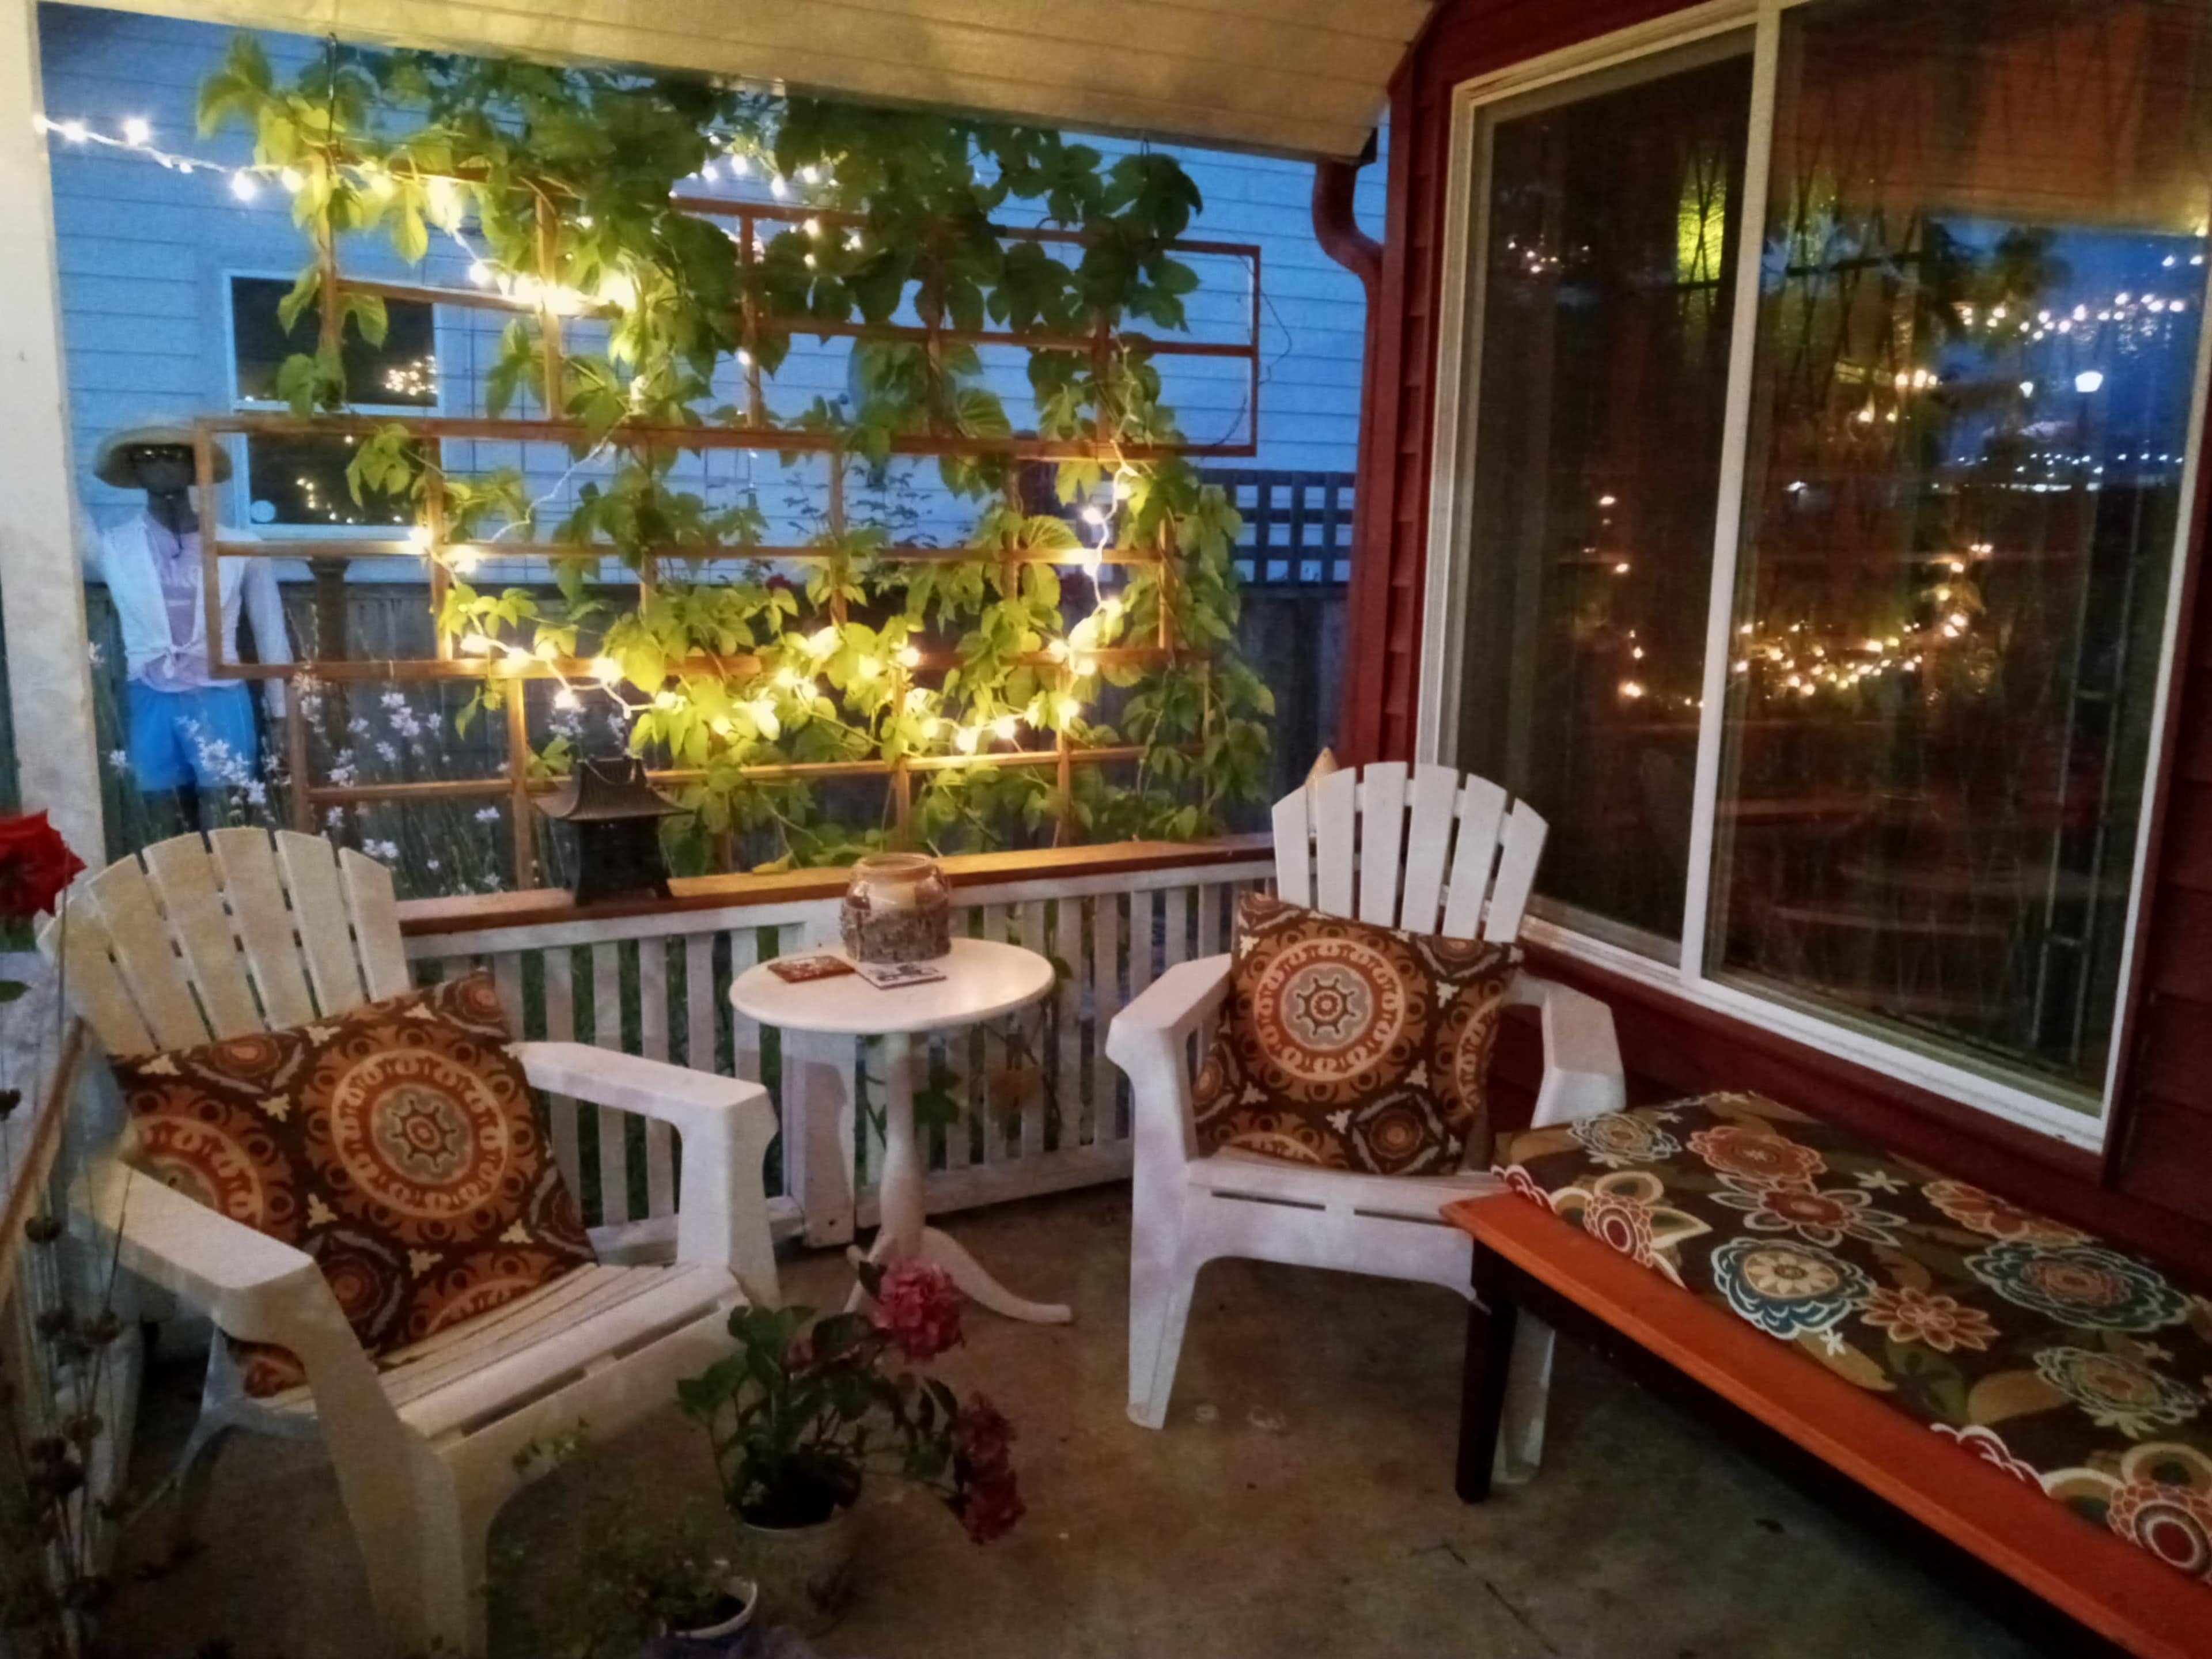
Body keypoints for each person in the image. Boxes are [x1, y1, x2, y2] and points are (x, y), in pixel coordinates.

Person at [84, 423, 289, 829]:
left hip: (221, 695)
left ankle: (231, 894)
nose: (160, 465)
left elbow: (270, 631)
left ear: (195, 466)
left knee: (229, 821)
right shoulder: (114, 546)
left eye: (173, 455)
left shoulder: (241, 545)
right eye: (147, 457)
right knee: (165, 826)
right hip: (150, 695)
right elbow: (57, 510)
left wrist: (281, 712)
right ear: (134, 470)